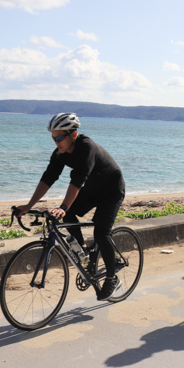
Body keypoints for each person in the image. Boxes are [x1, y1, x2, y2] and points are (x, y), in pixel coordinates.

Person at [15, 113, 126, 301]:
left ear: (73, 135)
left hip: (111, 191)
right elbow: (48, 178)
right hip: (92, 190)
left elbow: (77, 181)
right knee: (67, 216)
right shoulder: (60, 153)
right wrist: (28, 205)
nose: (56, 142)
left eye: (59, 137)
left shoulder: (87, 148)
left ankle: (111, 278)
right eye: (53, 138)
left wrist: (64, 206)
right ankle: (84, 250)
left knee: (101, 232)